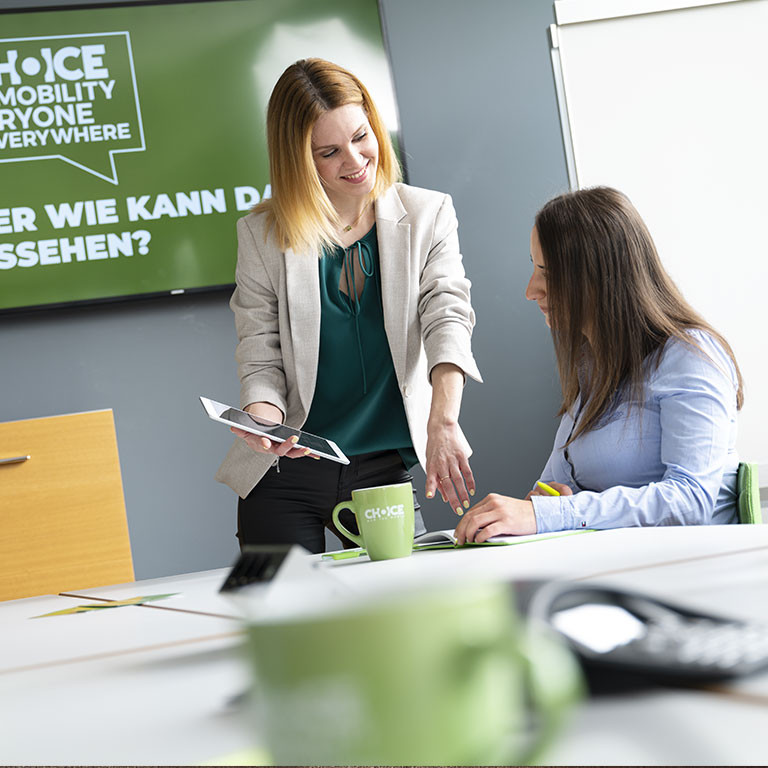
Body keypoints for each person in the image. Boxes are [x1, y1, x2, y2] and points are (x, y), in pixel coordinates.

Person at [215, 58, 482, 553]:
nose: (356, 160)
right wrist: (262, 418)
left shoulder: (428, 214)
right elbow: (259, 346)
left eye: (362, 137)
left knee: (404, 614)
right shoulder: (260, 236)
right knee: (278, 615)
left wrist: (444, 421)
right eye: (330, 152)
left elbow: (447, 312)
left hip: (382, 468)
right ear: (299, 161)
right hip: (285, 471)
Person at [455, 186, 742, 544]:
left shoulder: (691, 356)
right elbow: (551, 494)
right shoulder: (593, 368)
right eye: (535, 269)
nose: (531, 290)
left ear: (598, 276)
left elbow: (690, 500)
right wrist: (538, 506)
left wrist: (554, 513)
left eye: (547, 272)